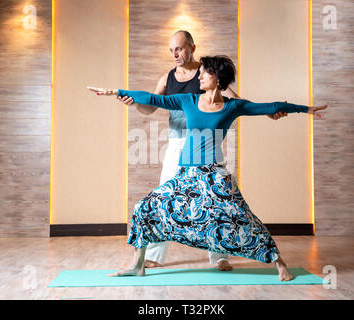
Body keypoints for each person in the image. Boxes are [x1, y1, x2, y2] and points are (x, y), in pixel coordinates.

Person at [87, 55, 327, 281]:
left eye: (204, 73)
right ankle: (137, 265)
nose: (199, 77)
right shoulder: (188, 100)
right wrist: (116, 91)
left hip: (214, 175)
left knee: (242, 218)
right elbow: (152, 98)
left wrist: (304, 109)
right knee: (144, 207)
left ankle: (278, 261)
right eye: (199, 73)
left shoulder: (232, 106)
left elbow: (271, 106)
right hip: (185, 175)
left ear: (218, 79)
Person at [118, 30, 289, 272]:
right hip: (178, 143)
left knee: (214, 201)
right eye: (171, 50)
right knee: (165, 197)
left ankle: (219, 256)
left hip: (206, 143)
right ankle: (154, 255)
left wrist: (268, 111)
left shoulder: (208, 72)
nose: (175, 54)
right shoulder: (167, 78)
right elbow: (150, 108)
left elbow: (235, 101)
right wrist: (134, 102)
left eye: (179, 48)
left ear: (192, 47)